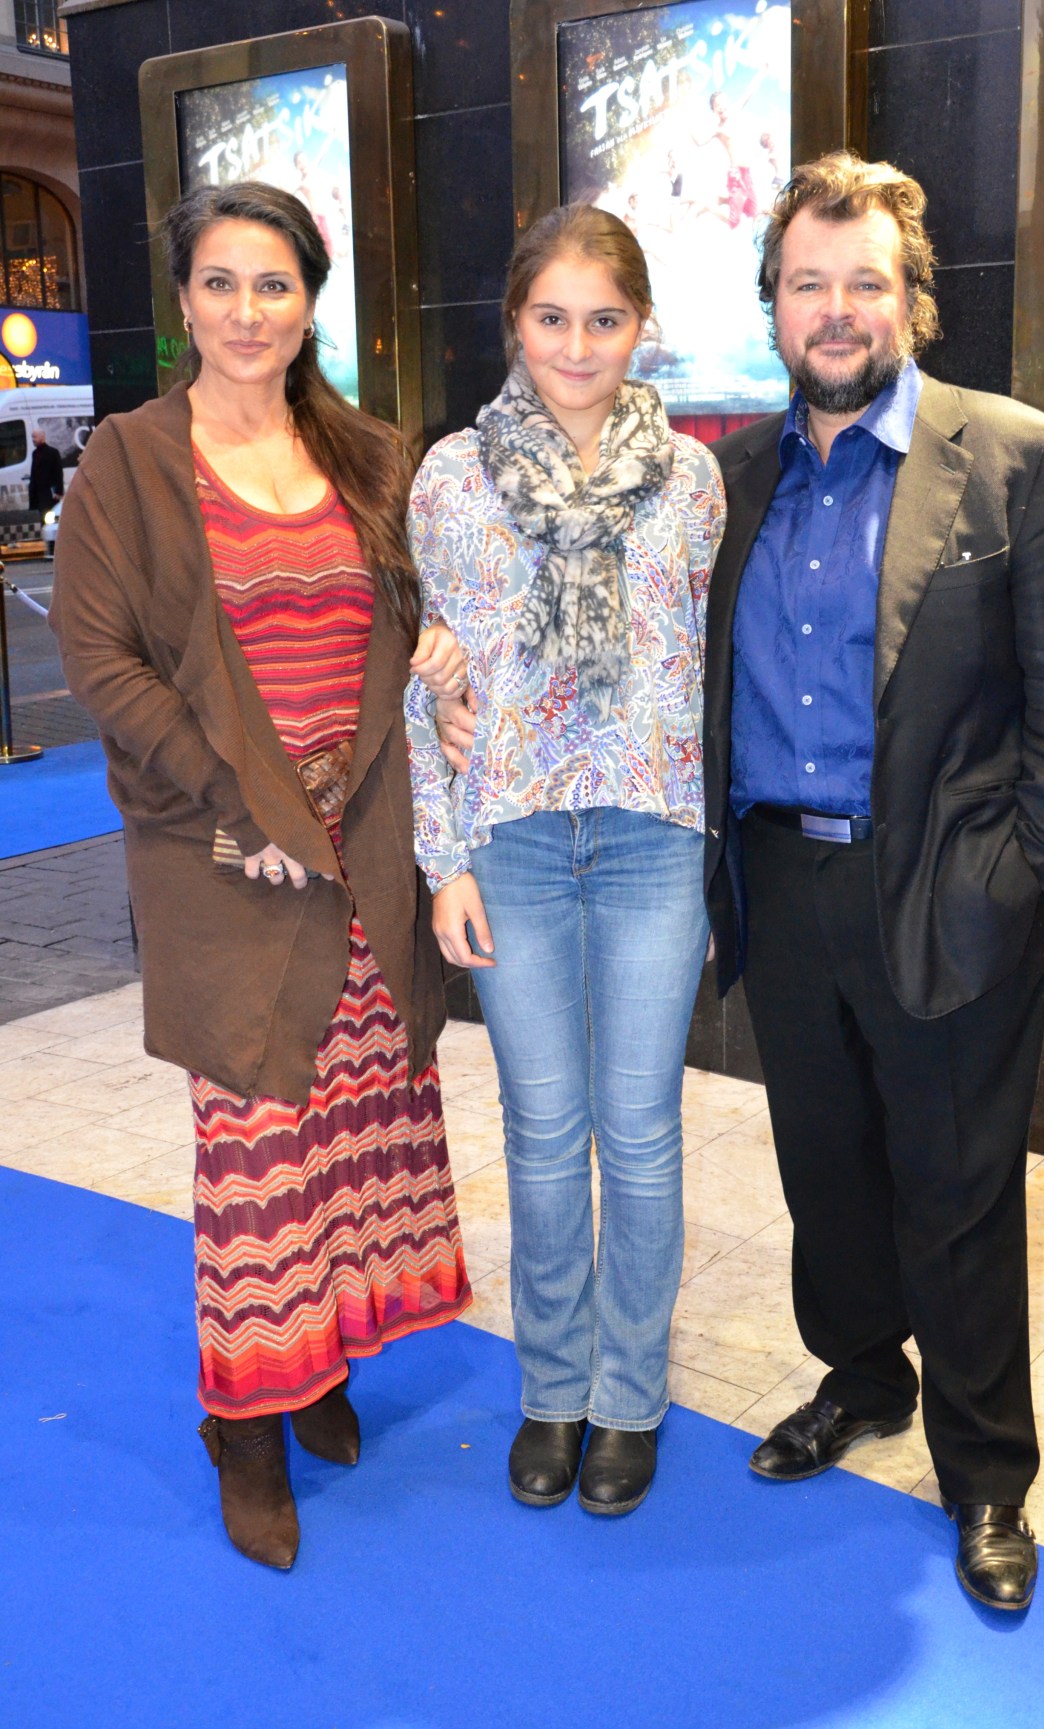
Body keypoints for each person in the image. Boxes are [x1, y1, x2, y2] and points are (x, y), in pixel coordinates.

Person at [703, 152, 1044, 1610]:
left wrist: (1029, 870)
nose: (836, 309)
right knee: (826, 1172)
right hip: (780, 878)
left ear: (912, 301)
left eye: (865, 283)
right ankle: (861, 1378)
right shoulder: (732, 477)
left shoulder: (1015, 455)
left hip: (951, 887)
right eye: (807, 283)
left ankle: (989, 1473)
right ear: (774, 304)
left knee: (957, 1192)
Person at [50, 181, 473, 1571]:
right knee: (256, 1148)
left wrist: (440, 651)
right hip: (226, 852)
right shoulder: (129, 461)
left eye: (274, 284)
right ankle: (244, 1419)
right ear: (183, 300)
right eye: (221, 283)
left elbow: (413, 622)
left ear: (309, 303)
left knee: (355, 1126)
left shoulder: (369, 453)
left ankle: (324, 1363)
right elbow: (102, 660)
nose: (247, 311)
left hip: (366, 849)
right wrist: (243, 797)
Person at [406, 203, 725, 1517]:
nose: (578, 345)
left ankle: (630, 1398)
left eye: (605, 318)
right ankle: (553, 1390)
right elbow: (428, 676)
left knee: (640, 1133)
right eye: (553, 317)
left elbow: (701, 665)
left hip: (653, 837)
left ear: (640, 325)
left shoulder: (694, 479)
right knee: (542, 1133)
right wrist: (443, 860)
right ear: (514, 323)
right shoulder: (448, 478)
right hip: (514, 842)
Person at [29, 428, 64, 514]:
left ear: (42, 437)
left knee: (50, 516)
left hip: (50, 493)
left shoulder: (53, 452)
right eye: (32, 437)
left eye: (35, 437)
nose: (33, 439)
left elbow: (58, 473)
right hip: (38, 495)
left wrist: (59, 491)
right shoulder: (35, 453)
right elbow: (34, 474)